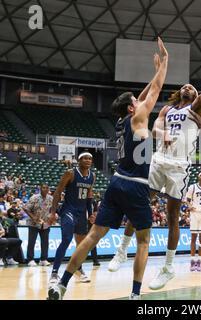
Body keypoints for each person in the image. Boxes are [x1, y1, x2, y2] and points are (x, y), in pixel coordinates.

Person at [47, 37, 168, 300]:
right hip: (136, 185)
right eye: (137, 100)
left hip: (116, 182)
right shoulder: (138, 117)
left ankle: (61, 285)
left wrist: (153, 73)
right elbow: (156, 90)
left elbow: (146, 94)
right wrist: (164, 64)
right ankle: (136, 295)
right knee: (144, 241)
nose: (142, 99)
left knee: (92, 236)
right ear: (131, 107)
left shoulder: (123, 121)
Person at [148, 29, 201, 290]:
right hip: (159, 158)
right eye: (185, 85)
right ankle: (125, 250)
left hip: (178, 166)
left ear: (197, 97)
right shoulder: (167, 108)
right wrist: (162, 134)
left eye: (193, 87)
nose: (188, 86)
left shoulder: (195, 108)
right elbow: (154, 129)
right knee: (140, 204)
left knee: (173, 216)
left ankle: (168, 266)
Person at [47, 152, 96, 286]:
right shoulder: (70, 173)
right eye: (85, 158)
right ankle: (54, 272)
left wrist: (90, 213)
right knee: (67, 239)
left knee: (81, 246)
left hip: (82, 213)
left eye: (90, 159)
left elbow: (89, 196)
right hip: (68, 210)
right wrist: (52, 212)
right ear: (79, 161)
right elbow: (58, 191)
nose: (88, 160)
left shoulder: (92, 176)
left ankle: (78, 269)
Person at [23, 183, 53, 267]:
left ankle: (43, 259)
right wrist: (33, 217)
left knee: (45, 242)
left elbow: (52, 209)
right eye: (43, 188)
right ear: (40, 188)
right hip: (33, 223)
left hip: (45, 223)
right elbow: (26, 208)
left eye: (47, 188)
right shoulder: (34, 197)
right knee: (32, 241)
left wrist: (51, 217)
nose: (45, 189)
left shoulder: (51, 198)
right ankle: (30, 260)